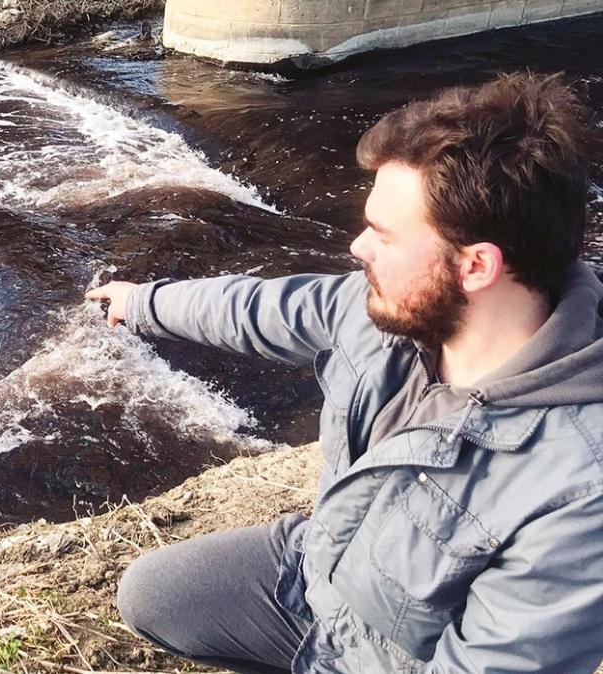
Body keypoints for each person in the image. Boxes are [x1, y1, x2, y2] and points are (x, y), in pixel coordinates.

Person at [86, 72, 603, 673]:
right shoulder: (386, 313)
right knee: (156, 592)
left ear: (476, 266)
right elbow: (253, 309)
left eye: (383, 235)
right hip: (321, 574)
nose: (358, 248)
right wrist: (142, 304)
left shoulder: (578, 488)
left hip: (393, 659)